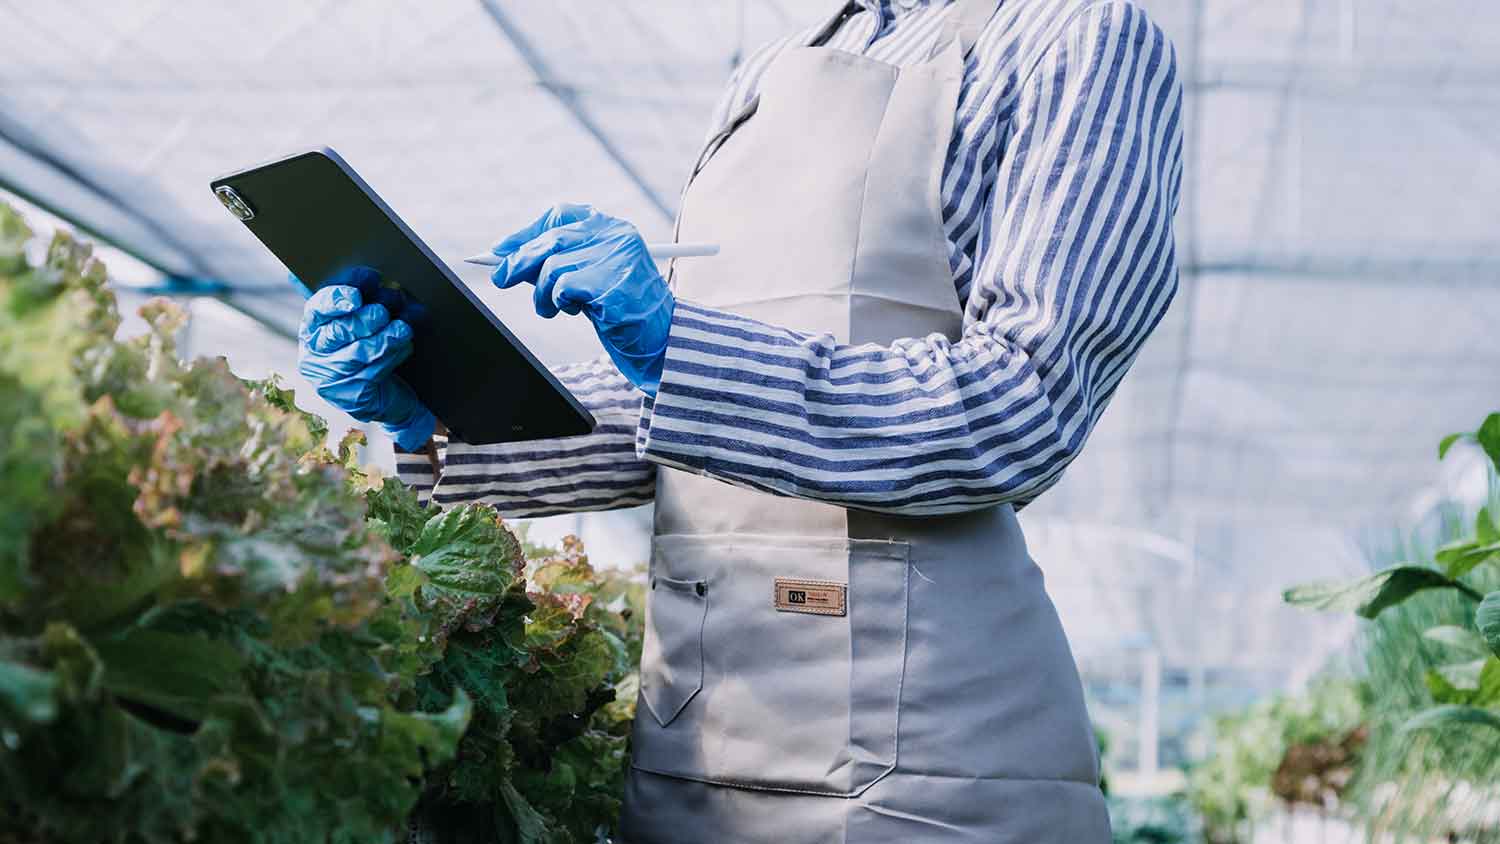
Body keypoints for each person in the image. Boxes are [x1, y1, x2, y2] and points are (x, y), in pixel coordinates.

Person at [297, 0, 1181, 839]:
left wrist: (680, 348)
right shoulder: (771, 70)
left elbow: (1019, 405)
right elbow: (679, 416)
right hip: (697, 739)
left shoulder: (1078, 37)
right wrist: (434, 417)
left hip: (919, 767)